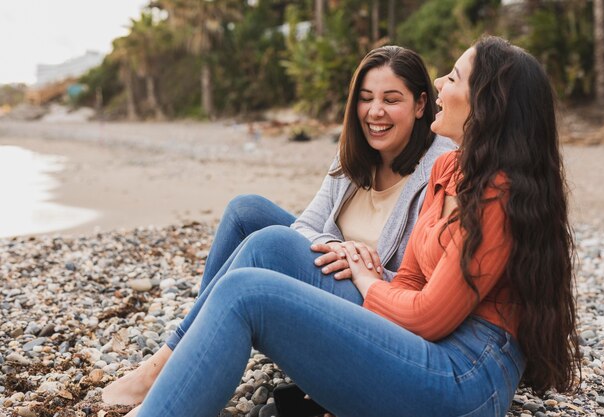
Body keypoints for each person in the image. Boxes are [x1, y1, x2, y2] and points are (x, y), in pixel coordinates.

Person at [126, 35, 581, 417]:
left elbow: (427, 317)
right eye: (366, 99)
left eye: (454, 77)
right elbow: (410, 279)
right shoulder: (453, 170)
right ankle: (172, 365)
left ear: (487, 103)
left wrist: (364, 276)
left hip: (466, 376)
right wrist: (350, 314)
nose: (441, 81)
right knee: (263, 245)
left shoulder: (494, 194)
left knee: (245, 291)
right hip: (424, 341)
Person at [103, 46, 455, 406]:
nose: (375, 112)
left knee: (268, 244)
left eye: (391, 99)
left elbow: (426, 285)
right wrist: (337, 248)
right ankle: (194, 346)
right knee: (246, 212)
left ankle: (163, 368)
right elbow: (305, 226)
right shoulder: (355, 155)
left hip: (374, 299)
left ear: (420, 104)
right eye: (366, 99)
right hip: (333, 266)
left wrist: (360, 269)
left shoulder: (440, 168)